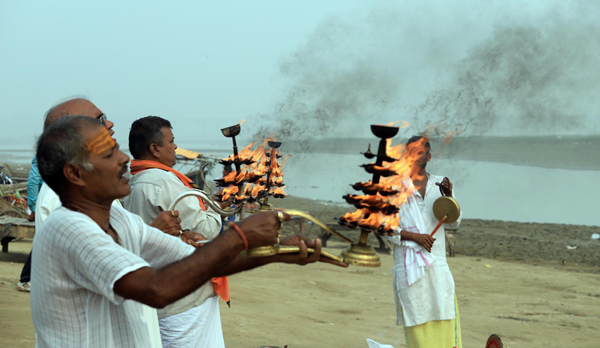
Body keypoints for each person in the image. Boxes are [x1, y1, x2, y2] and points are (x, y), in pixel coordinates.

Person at [28, 97, 181, 348]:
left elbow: (149, 245)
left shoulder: (99, 198)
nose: (108, 123)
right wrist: (237, 239)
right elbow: (145, 283)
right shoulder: (63, 204)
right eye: (98, 120)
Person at [124, 116, 227, 347]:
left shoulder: (135, 179)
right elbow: (206, 231)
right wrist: (219, 209)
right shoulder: (163, 182)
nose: (175, 146)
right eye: (171, 141)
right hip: (183, 300)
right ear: (155, 149)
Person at [384, 136, 463, 348]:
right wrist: (415, 237)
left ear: (428, 156)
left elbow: (455, 224)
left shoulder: (439, 184)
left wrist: (450, 198)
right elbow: (384, 228)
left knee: (444, 320)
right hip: (411, 273)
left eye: (421, 152)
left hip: (438, 269)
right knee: (418, 331)